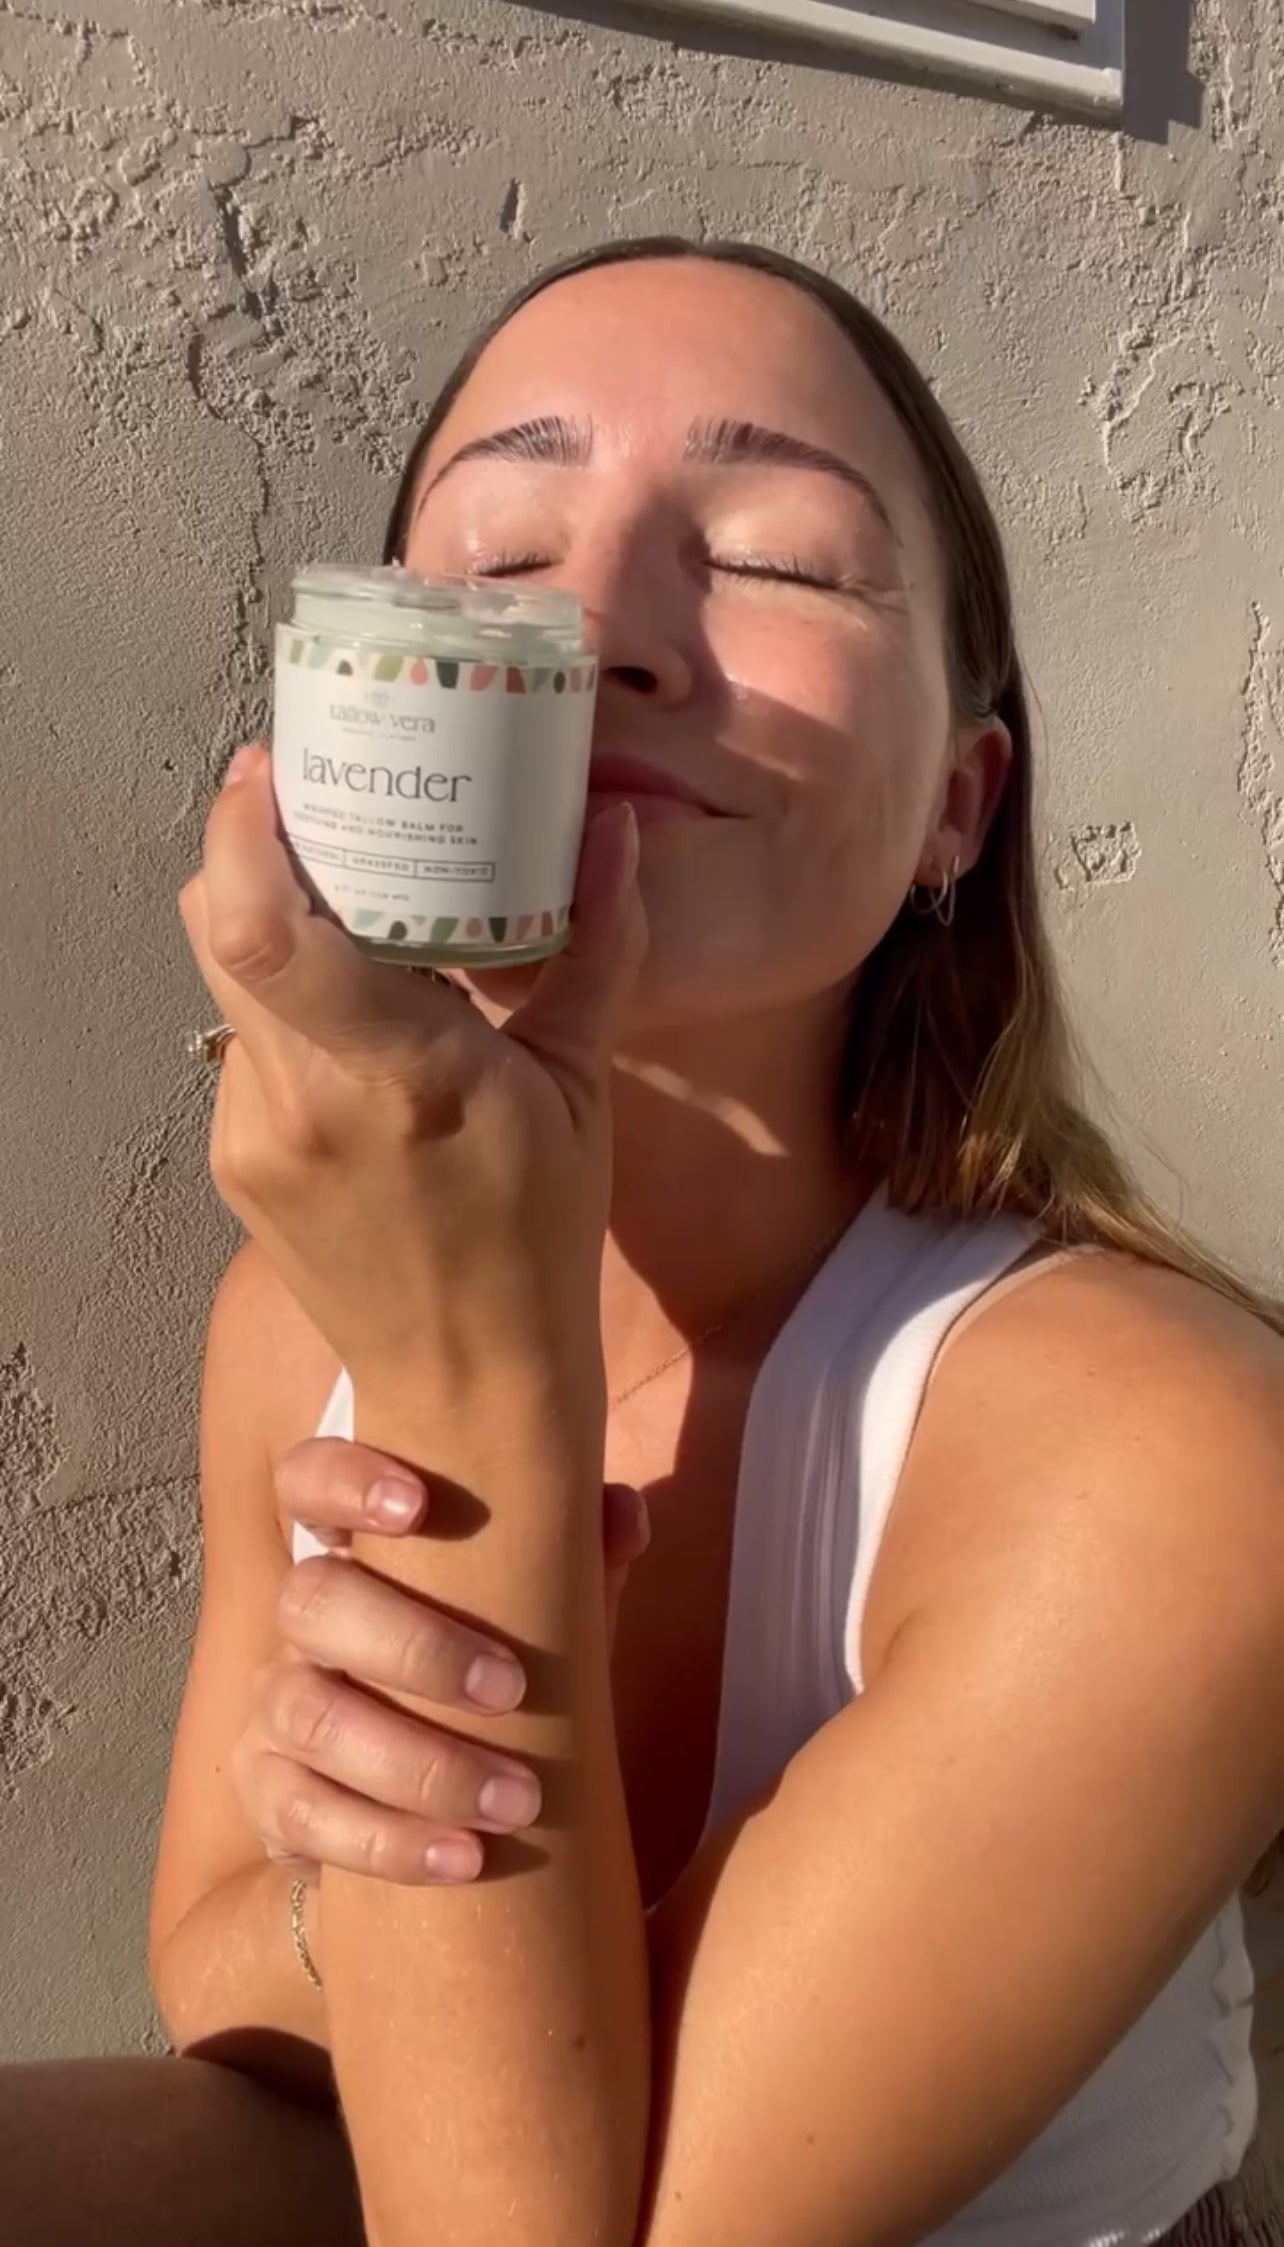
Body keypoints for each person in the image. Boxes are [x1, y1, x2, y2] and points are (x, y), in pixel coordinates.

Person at [6, 238, 1283, 2247]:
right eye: (500, 555)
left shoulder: (1173, 1449)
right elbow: (227, 1988)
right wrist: (399, 1906)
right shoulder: (289, 1310)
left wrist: (466, 1386)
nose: (597, 629)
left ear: (964, 803)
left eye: (775, 556)